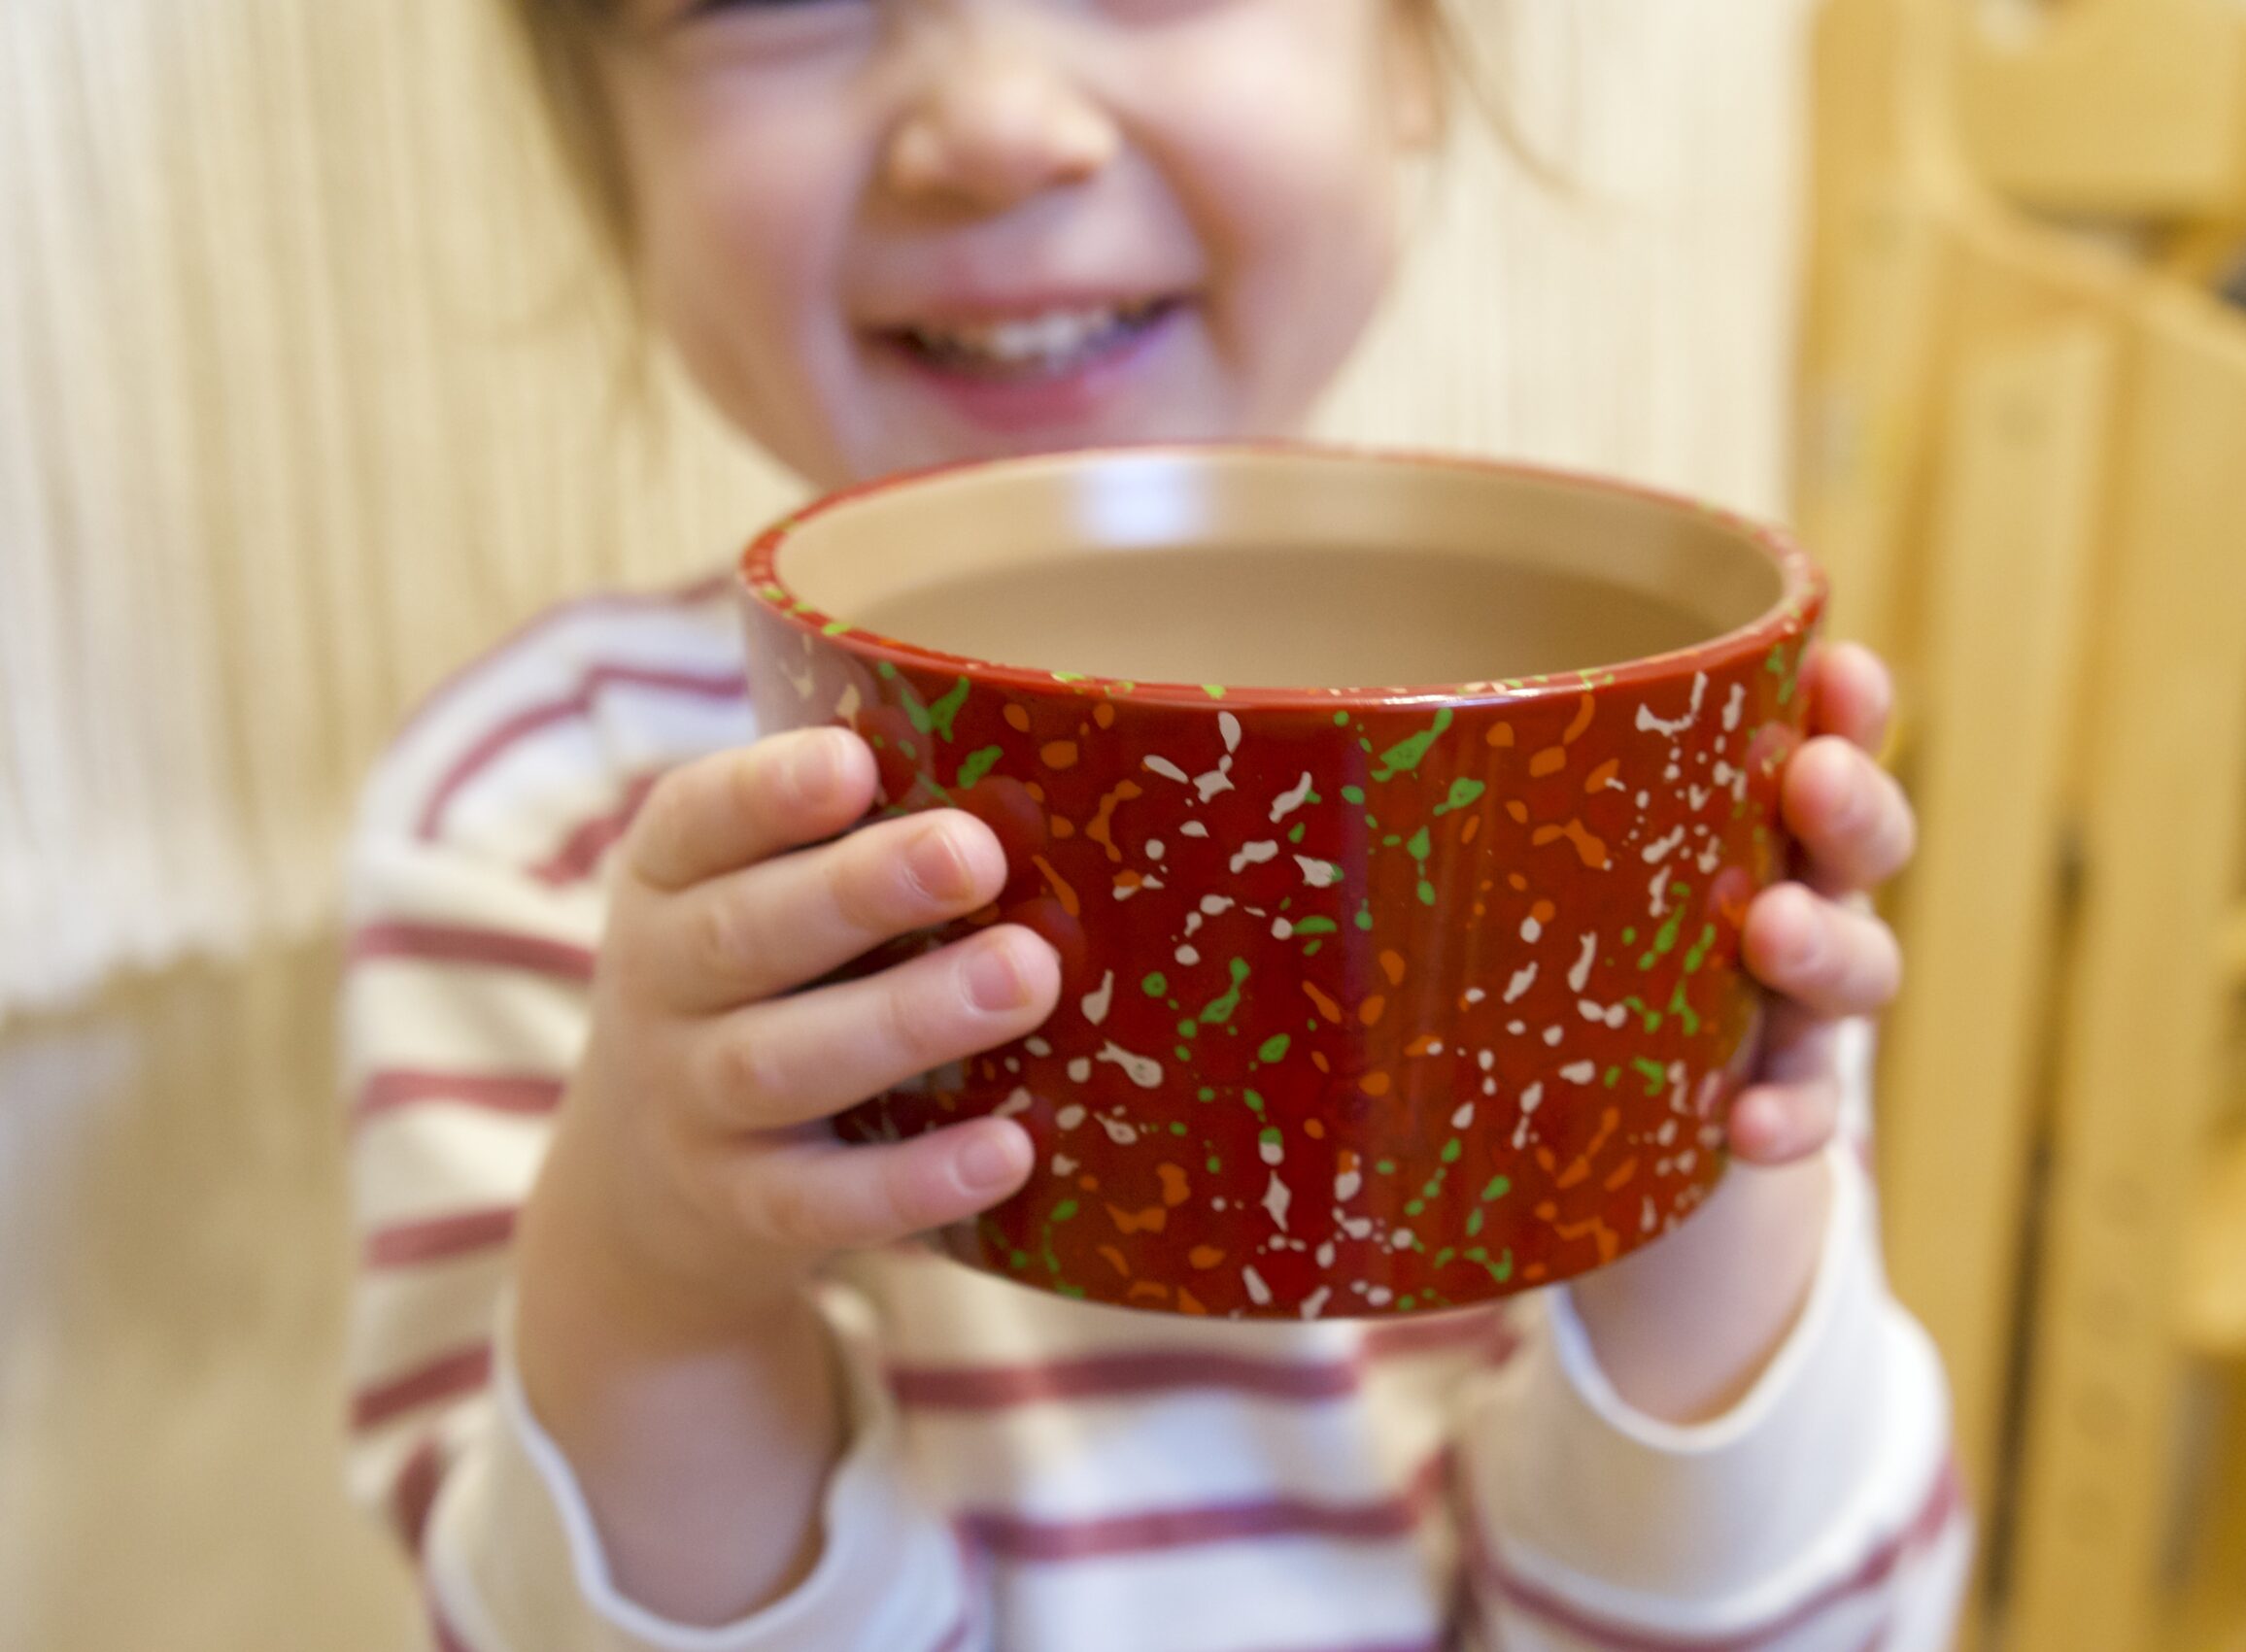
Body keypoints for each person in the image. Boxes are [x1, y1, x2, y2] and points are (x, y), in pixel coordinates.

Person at [342, 3, 1965, 1647]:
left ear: (1408, 52)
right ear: (603, 137)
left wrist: (1695, 1163)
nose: (998, 127)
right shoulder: (539, 819)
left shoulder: (1645, 742)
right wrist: (654, 1276)